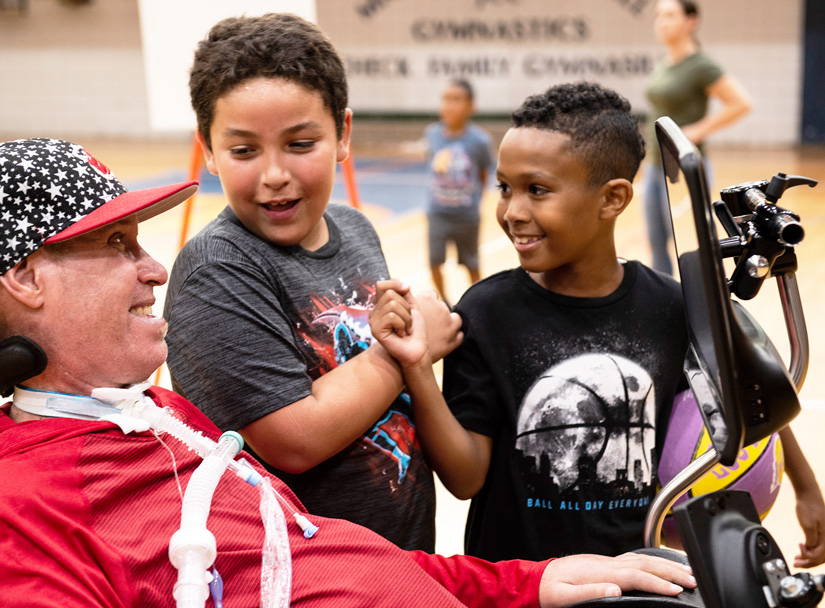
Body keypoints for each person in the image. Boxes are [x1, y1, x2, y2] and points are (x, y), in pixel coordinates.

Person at [2, 137, 824, 608]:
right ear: (24, 279)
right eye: (116, 246)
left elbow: (327, 558)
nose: (153, 269)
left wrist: (527, 584)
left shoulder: (162, 420)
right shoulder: (23, 509)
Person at [369, 82, 825, 566]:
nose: (512, 212)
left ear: (612, 199)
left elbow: (752, 395)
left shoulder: (673, 307)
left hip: (639, 578)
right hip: (520, 593)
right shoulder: (485, 311)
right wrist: (418, 369)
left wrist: (806, 487)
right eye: (505, 188)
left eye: (537, 190)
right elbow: (465, 479)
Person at [163, 14, 463, 552]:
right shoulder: (218, 269)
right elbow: (294, 440)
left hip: (400, 558)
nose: (274, 173)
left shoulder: (355, 228)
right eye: (244, 150)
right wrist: (408, 354)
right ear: (207, 149)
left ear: (343, 134)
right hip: (306, 582)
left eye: (300, 144)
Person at [643, 0, 751, 275]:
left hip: (684, 168)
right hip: (656, 165)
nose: (661, 22)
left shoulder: (701, 65)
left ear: (691, 22)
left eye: (669, 15)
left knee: (691, 244)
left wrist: (696, 131)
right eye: (659, 16)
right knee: (656, 242)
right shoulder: (666, 63)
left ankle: (705, 306)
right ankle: (666, 299)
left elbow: (741, 103)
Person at [424, 78, 494, 303]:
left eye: (456, 100)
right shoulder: (432, 134)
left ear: (471, 106)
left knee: (471, 264)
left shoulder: (479, 140)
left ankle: (476, 304)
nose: (449, 105)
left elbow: (483, 173)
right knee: (435, 262)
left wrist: (475, 201)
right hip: (437, 212)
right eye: (446, 99)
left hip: (467, 215)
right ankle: (445, 304)